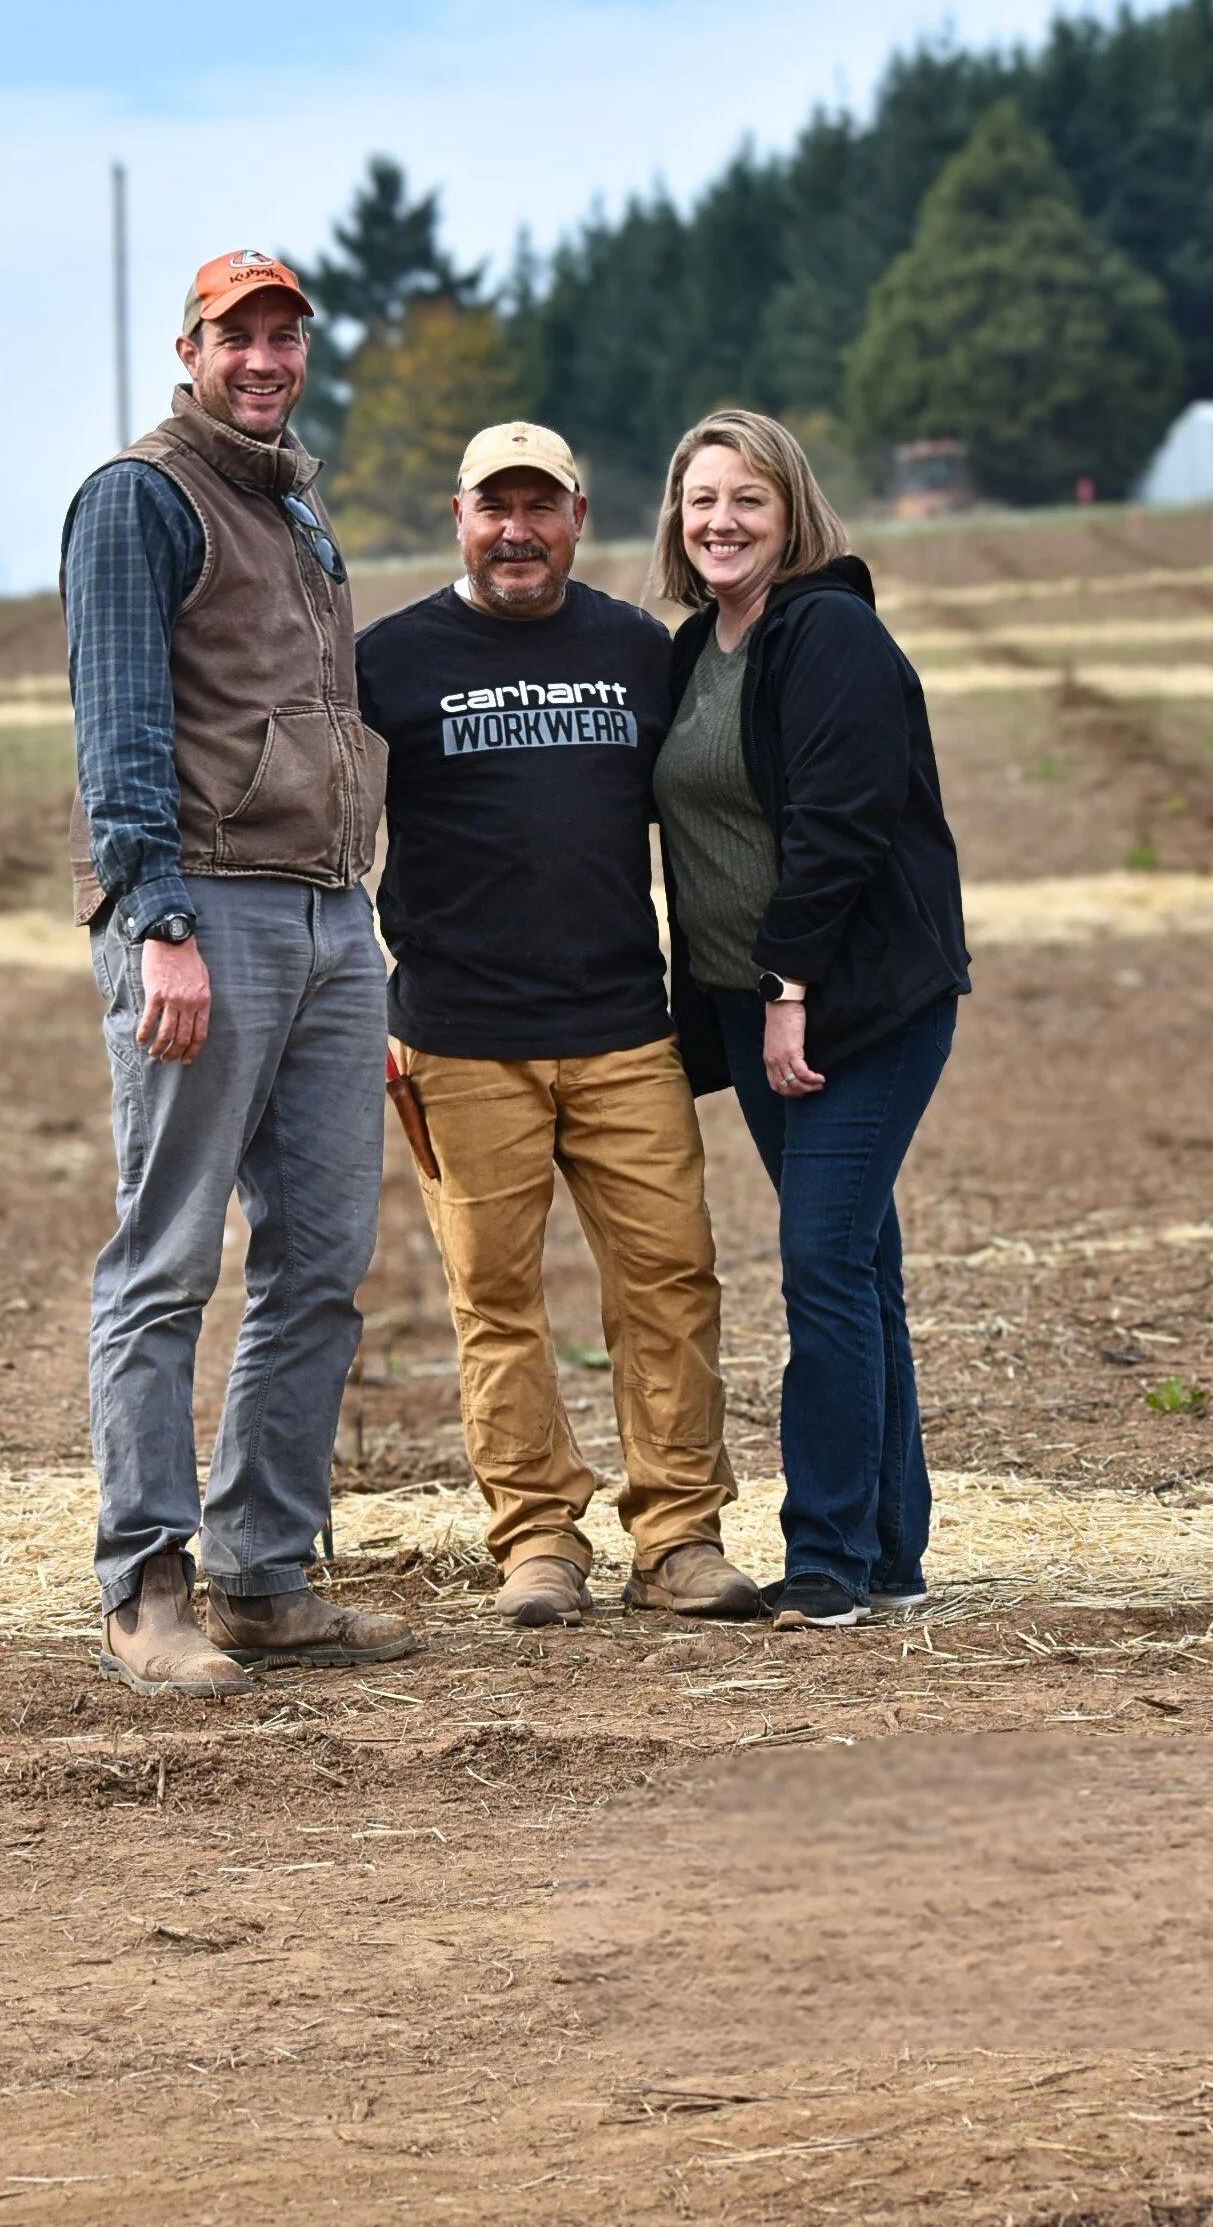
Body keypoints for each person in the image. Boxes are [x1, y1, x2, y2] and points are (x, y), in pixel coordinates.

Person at [60, 246, 418, 1696]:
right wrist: (158, 922)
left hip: (331, 917)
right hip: (206, 908)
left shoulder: (292, 502)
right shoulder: (139, 498)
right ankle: (146, 1588)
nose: (265, 360)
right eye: (238, 336)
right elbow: (119, 724)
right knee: (167, 1259)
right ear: (190, 351)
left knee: (322, 1257)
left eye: (285, 336)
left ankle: (262, 1574)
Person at [356, 420, 761, 1628]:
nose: (517, 532)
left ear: (579, 517)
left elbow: (711, 808)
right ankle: (536, 1540)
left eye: (541, 507)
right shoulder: (387, 661)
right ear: (459, 518)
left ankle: (677, 1536)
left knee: (670, 1279)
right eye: (495, 508)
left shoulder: (638, 649)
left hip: (624, 1029)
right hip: (456, 1040)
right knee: (495, 1301)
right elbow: (323, 833)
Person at [650, 409, 968, 1632]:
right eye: (701, 500)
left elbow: (839, 825)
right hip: (748, 1005)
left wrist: (790, 989)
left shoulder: (828, 632)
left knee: (821, 1260)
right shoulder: (696, 648)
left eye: (748, 499)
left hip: (857, 1003)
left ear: (792, 514)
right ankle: (890, 1550)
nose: (720, 521)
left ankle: (825, 1556)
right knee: (857, 1262)